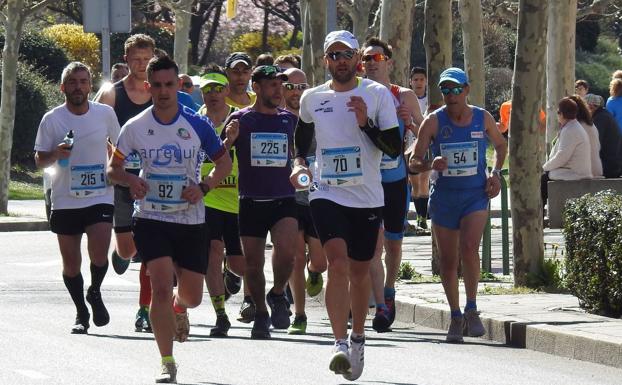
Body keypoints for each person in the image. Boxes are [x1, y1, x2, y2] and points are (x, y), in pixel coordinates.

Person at [107, 55, 232, 383]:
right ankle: (167, 361)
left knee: (190, 296)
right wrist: (131, 180)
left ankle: (179, 309)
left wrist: (203, 187)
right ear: (148, 87)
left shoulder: (197, 124)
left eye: (169, 84)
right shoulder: (135, 128)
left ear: (178, 85)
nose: (163, 91)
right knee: (160, 287)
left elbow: (224, 164)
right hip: (151, 218)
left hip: (190, 220)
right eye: (157, 85)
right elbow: (113, 169)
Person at [291, 30, 401, 380]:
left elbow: (394, 147)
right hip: (326, 192)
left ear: (357, 59)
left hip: (367, 195)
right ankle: (338, 342)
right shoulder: (312, 98)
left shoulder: (377, 94)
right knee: (336, 262)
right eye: (334, 54)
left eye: (347, 54)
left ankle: (358, 337)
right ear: (326, 60)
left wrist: (365, 124)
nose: (341, 60)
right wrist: (299, 164)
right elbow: (302, 141)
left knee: (358, 271)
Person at [409, 67, 507, 343]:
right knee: (449, 260)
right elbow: (413, 163)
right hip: (444, 198)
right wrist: (430, 163)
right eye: (445, 90)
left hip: (475, 195)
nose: (451, 95)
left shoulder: (482, 117)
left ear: (466, 90)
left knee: (469, 249)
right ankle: (455, 315)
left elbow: (500, 145)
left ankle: (472, 308)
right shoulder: (433, 121)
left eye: (455, 89)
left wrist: (495, 173)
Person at [34, 62, 121, 334]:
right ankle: (81, 312)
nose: (78, 87)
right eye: (72, 82)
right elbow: (38, 160)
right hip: (65, 198)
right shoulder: (52, 119)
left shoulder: (105, 114)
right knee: (71, 265)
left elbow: (120, 147)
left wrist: (115, 168)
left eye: (83, 81)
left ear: (89, 86)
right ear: (63, 87)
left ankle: (94, 291)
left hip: (100, 194)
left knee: (99, 253)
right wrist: (55, 155)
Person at [225, 65, 298, 339]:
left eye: (280, 84)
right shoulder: (241, 119)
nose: (278, 90)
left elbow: (303, 151)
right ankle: (261, 314)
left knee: (288, 252)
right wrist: (228, 139)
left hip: (283, 199)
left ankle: (278, 293)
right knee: (253, 265)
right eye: (271, 85)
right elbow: (219, 154)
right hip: (251, 201)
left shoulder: (289, 120)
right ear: (255, 87)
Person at [96, 33, 156, 333]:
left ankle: (144, 310)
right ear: (127, 59)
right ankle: (121, 253)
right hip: (121, 177)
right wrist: (108, 151)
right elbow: (94, 124)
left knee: (149, 248)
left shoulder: (161, 91)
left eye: (146, 60)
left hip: (153, 180)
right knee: (128, 250)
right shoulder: (112, 94)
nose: (142, 65)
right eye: (136, 60)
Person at [361, 36, 422, 332]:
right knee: (374, 247)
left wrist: (410, 123)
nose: (371, 63)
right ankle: (381, 307)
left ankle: (389, 290)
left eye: (377, 58)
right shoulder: (356, 94)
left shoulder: (403, 95)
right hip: (366, 183)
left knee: (394, 244)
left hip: (396, 181)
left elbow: (425, 134)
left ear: (389, 62)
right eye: (367, 59)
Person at [197, 65, 245, 337]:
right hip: (208, 197)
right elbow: (207, 158)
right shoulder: (196, 121)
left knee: (239, 265)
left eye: (218, 88)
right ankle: (221, 315)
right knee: (213, 254)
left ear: (227, 91)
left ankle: (232, 278)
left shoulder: (238, 120)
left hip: (236, 200)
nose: (213, 94)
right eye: (207, 89)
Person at [282, 67, 327, 335]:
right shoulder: (276, 119)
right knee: (295, 257)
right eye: (290, 86)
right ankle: (299, 314)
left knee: (319, 261)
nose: (296, 92)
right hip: (288, 199)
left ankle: (315, 270)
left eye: (302, 87)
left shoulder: (318, 118)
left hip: (317, 196)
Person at [223, 51, 258, 322]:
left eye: (245, 71)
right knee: (227, 243)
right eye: (236, 71)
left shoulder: (259, 104)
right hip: (220, 185)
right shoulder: (218, 102)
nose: (240, 76)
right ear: (227, 73)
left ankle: (249, 299)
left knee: (250, 246)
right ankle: (227, 268)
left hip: (250, 183)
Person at [541, 97, 592, 217]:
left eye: (558, 112)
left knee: (543, 179)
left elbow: (561, 157)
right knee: (544, 178)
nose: (557, 115)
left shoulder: (571, 130)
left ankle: (538, 214)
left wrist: (544, 167)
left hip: (575, 173)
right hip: (571, 170)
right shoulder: (572, 127)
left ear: (563, 114)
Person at [408, 66, 431, 231]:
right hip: (409, 145)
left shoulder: (431, 100)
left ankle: (423, 218)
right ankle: (419, 213)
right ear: (410, 82)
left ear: (426, 81)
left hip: (427, 144)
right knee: (415, 182)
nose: (419, 82)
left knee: (425, 180)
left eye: (422, 79)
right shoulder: (406, 99)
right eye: (415, 80)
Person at [585, 93, 622, 178]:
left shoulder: (600, 119)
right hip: (613, 165)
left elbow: (594, 144)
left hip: (608, 167)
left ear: (590, 106)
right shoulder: (604, 115)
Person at [568, 95, 602, 178]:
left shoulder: (575, 127)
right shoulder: (591, 125)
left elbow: (565, 154)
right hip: (597, 169)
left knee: (546, 176)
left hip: (585, 172)